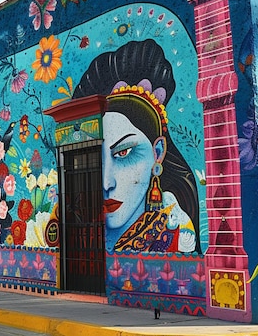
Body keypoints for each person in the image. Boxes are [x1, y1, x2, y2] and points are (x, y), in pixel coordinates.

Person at [73, 39, 200, 253]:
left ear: (157, 153)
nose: (105, 183)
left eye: (123, 153)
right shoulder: (78, 235)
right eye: (93, 158)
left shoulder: (176, 235)